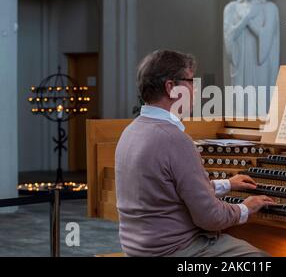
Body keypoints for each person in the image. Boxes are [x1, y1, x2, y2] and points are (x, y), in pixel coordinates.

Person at [115, 50, 276, 257]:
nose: (196, 90)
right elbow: (210, 218)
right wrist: (245, 207)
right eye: (191, 81)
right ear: (171, 88)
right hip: (177, 251)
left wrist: (226, 184)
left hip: (139, 249)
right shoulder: (174, 139)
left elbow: (168, 192)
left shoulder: (131, 131)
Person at [224, 0, 280, 115]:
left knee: (260, 101)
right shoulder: (231, 8)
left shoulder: (269, 8)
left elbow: (266, 37)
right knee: (240, 101)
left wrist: (250, 23)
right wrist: (247, 18)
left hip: (259, 63)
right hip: (241, 60)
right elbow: (229, 36)